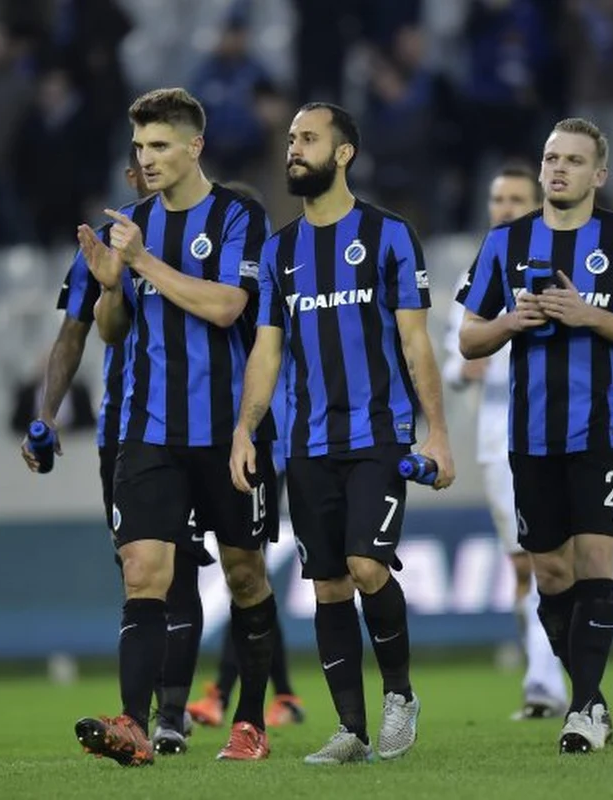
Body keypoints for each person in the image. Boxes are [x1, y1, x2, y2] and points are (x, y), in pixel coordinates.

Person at [231, 102, 456, 765]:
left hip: (378, 435)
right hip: (307, 444)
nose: (293, 148)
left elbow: (417, 343)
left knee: (366, 566)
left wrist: (436, 436)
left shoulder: (389, 236)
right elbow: (266, 352)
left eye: (308, 138)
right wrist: (245, 431)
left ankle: (399, 696)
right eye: (291, 139)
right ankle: (351, 730)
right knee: (328, 586)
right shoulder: (279, 252)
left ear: (345, 152)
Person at [73, 88, 279, 765]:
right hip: (149, 428)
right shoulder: (129, 225)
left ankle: (249, 719)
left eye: (160, 145)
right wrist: (109, 284)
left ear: (194, 146)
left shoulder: (238, 214)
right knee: (144, 570)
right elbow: (113, 331)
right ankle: (133, 722)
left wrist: (140, 264)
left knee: (245, 575)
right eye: (139, 147)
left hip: (229, 432)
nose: (147, 158)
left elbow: (226, 306)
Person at [456, 118, 613, 755]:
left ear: (598, 175)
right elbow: (469, 338)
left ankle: (580, 709)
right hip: (529, 433)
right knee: (550, 572)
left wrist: (590, 315)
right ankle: (593, 698)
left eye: (574, 161)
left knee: (595, 560)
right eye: (552, 158)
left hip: (602, 429)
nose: (558, 169)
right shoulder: (506, 242)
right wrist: (509, 322)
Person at [19, 147, 212, 756]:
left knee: (176, 568)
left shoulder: (208, 230)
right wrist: (44, 415)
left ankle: (169, 715)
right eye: (136, 160)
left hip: (191, 427)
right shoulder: (105, 242)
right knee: (137, 570)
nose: (143, 172)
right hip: (122, 431)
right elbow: (73, 332)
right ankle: (149, 711)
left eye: (155, 153)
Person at [441, 164, 567, 721]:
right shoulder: (479, 278)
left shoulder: (559, 269)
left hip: (564, 430)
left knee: (563, 563)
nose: (505, 207)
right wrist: (466, 365)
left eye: (517, 198)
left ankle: (558, 677)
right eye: (497, 198)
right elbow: (453, 362)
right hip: (500, 438)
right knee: (525, 566)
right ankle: (543, 680)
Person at [187, 179, 305, 731]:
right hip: (228, 439)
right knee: (248, 578)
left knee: (247, 575)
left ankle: (227, 692)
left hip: (263, 443)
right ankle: (279, 693)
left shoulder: (271, 285)